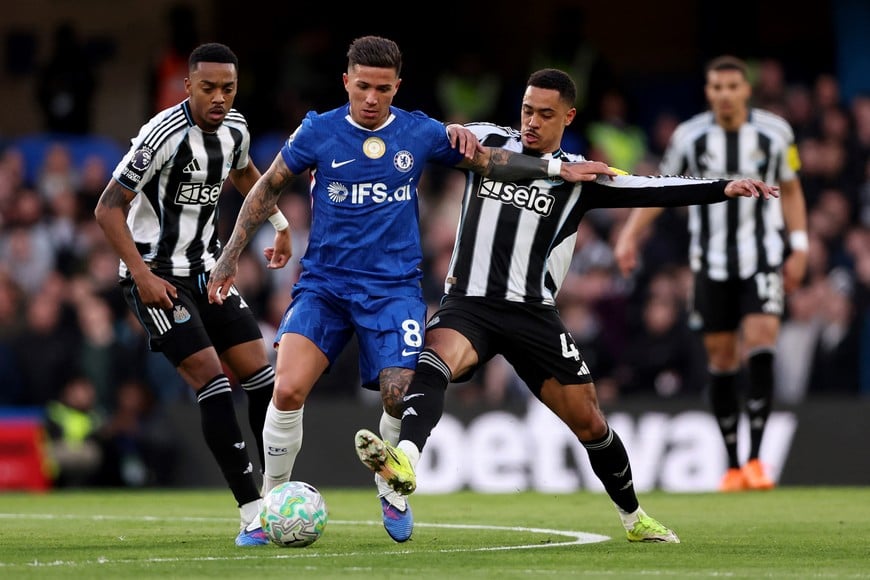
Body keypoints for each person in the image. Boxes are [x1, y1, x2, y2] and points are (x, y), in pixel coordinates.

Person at [205, 36, 607, 544]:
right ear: (346, 81)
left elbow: (488, 162)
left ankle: (391, 490)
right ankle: (270, 507)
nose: (372, 98)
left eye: (383, 88)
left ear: (398, 86)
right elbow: (267, 187)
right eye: (363, 86)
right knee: (285, 389)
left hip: (393, 290)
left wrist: (554, 167)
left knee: (399, 395)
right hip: (325, 286)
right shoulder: (318, 131)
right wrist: (229, 255)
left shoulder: (418, 132)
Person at [352, 68, 778, 544]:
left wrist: (723, 187)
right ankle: (405, 460)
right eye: (527, 110)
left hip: (533, 315)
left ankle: (634, 518)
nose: (532, 121)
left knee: (591, 423)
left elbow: (650, 186)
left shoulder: (579, 175)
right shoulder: (487, 139)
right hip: (469, 304)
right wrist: (446, 130)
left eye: (546, 114)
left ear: (569, 116)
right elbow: (421, 132)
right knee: (433, 361)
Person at [94, 42, 290, 546]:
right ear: (188, 87)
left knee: (263, 377)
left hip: (208, 272)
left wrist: (279, 222)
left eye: (228, 88)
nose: (219, 97)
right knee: (212, 380)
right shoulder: (161, 134)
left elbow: (248, 174)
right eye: (208, 88)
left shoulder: (236, 129)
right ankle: (250, 513)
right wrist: (139, 274)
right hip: (156, 275)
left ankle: (276, 498)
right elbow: (107, 208)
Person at [613, 55, 808, 492]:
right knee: (721, 360)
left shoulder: (776, 133)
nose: (724, 95)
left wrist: (799, 247)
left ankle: (758, 460)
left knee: (760, 344)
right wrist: (629, 236)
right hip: (710, 266)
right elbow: (662, 189)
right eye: (716, 87)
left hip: (762, 258)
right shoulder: (689, 136)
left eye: (731, 87)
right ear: (708, 92)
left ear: (745, 91)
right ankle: (734, 462)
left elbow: (792, 190)